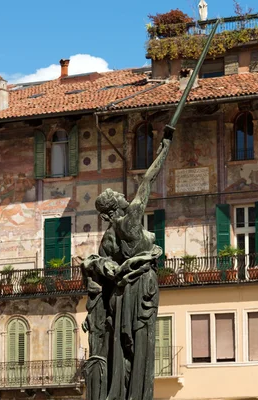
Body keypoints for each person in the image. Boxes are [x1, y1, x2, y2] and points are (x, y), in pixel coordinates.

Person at [81, 137, 171, 400]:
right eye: (118, 196)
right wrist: (163, 152)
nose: (123, 196)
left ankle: (125, 391)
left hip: (121, 297)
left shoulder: (107, 239)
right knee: (141, 343)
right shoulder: (130, 222)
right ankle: (138, 394)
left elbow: (101, 277)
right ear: (114, 207)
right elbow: (146, 182)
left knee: (125, 346)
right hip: (143, 287)